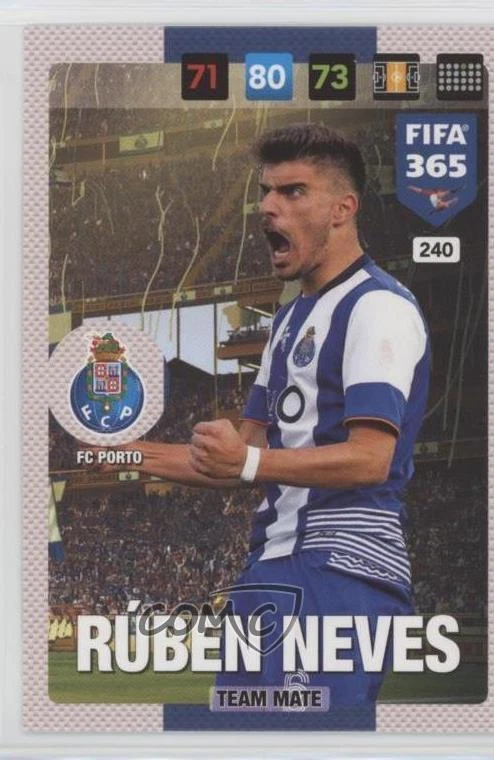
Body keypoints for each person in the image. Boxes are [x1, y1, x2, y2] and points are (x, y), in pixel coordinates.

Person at [106, 124, 430, 725]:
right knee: (237, 736)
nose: (268, 207)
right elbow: (236, 455)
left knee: (300, 740)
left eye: (293, 191)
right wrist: (111, 450)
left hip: (338, 565)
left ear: (343, 209)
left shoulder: (376, 307)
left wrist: (248, 461)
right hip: (272, 569)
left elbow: (370, 458)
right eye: (266, 192)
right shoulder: (289, 321)